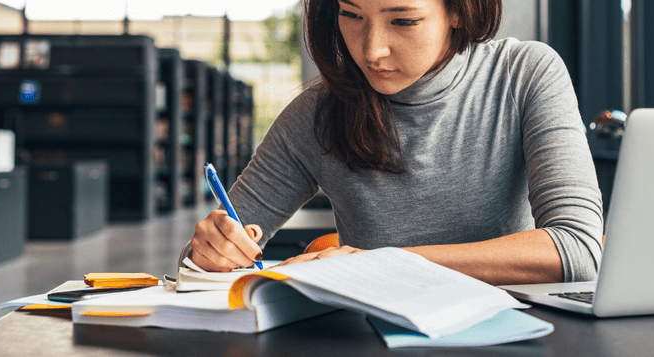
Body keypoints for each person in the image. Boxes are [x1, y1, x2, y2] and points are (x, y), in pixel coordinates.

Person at [186, 0, 603, 285]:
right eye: (352, 14)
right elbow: (203, 260)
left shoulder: (525, 74)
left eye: (403, 21)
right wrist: (209, 252)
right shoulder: (316, 113)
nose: (371, 50)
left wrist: (379, 264)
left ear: (457, 11)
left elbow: (578, 250)